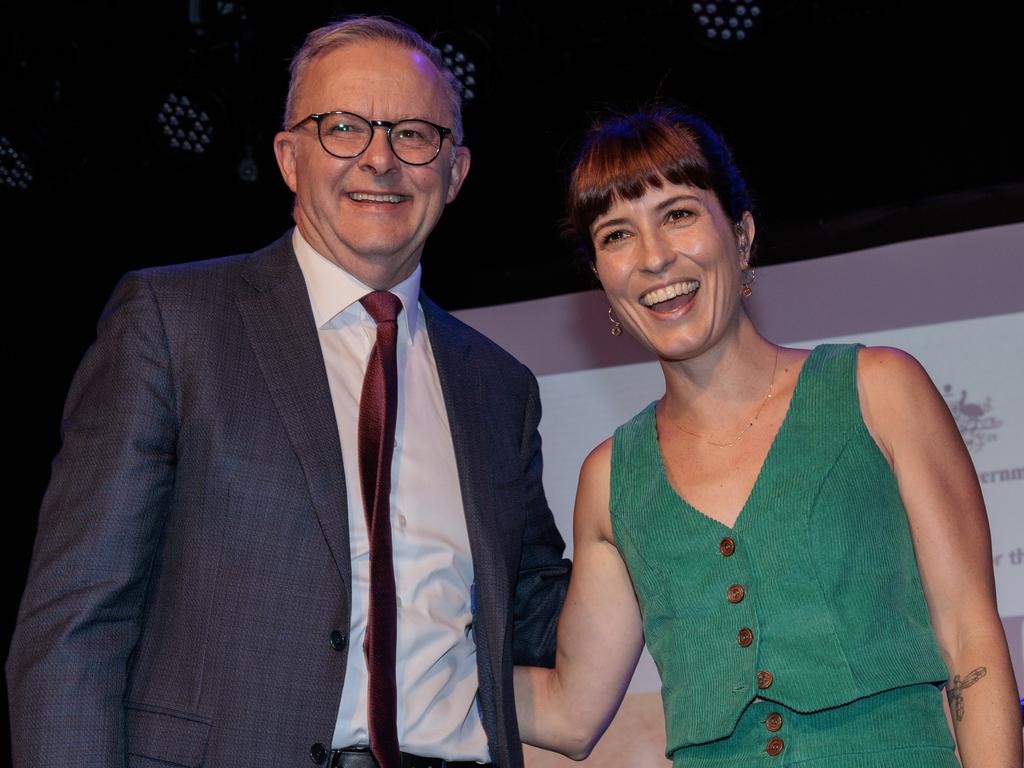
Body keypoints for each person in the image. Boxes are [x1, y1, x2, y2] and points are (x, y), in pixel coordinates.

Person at [7, 16, 569, 768]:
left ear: (456, 170)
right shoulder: (175, 326)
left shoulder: (500, 388)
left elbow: (539, 617)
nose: (379, 159)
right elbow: (75, 622)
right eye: (342, 127)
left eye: (413, 134)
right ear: (289, 158)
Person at [513, 106, 1021, 766]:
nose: (654, 258)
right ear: (602, 282)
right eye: (616, 235)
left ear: (742, 235)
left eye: (679, 214)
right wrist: (405, 674)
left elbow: (971, 642)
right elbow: (569, 712)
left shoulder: (878, 390)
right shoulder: (611, 478)